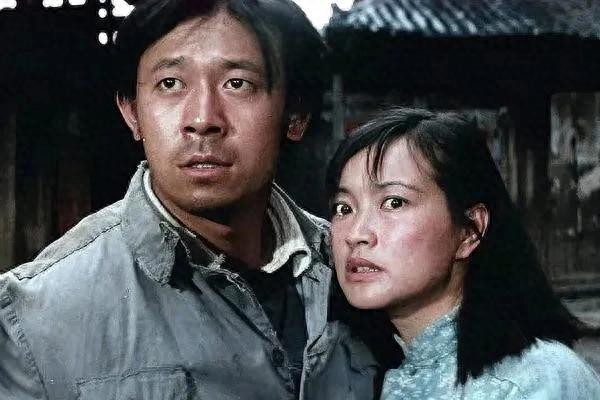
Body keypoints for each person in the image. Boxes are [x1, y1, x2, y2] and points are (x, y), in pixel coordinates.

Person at [0, 1, 382, 399]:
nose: (202, 119)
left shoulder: (360, 269)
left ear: (295, 114)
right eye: (170, 83)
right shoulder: (32, 317)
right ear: (132, 112)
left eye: (237, 83)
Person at [326, 107, 600, 399]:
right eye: (344, 208)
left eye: (394, 202)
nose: (356, 233)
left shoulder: (534, 382)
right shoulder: (346, 373)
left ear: (470, 230)